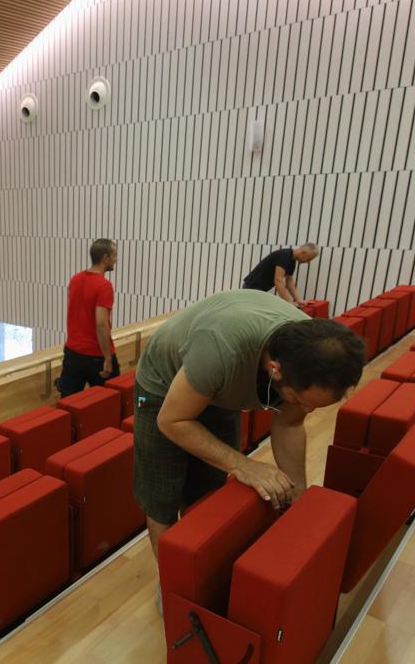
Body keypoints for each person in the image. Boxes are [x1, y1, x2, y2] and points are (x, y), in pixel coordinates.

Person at [131, 289, 365, 562]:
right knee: (163, 499)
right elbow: (172, 420)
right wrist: (244, 464)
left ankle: (195, 564)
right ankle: (171, 583)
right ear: (275, 369)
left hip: (220, 384)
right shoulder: (222, 347)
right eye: (301, 400)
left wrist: (298, 497)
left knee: (207, 489)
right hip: (162, 386)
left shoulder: (307, 357)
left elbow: (289, 425)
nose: (307, 410)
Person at [56, 238, 119, 397]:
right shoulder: (104, 286)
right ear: (105, 258)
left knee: (68, 404)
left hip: (72, 353)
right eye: (114, 255)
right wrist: (107, 359)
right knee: (110, 401)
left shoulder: (75, 279)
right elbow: (101, 323)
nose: (116, 260)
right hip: (96, 356)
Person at [242, 243, 320, 306]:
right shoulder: (284, 256)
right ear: (303, 253)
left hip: (259, 290)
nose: (308, 262)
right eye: (309, 259)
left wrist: (298, 299)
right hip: (251, 288)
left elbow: (289, 281)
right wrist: (288, 302)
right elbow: (278, 280)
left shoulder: (292, 260)